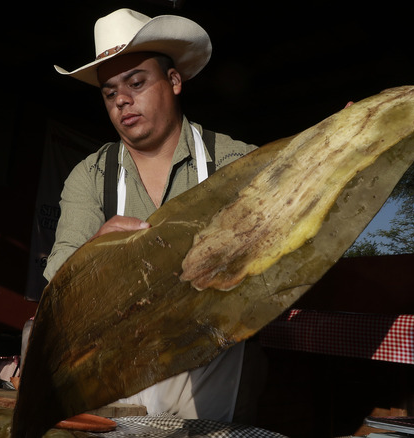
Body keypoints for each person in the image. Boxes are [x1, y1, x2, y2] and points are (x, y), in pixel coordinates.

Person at [44, 8, 262, 423]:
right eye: (110, 93)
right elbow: (59, 276)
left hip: (210, 361)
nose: (122, 99)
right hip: (116, 363)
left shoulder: (236, 162)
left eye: (137, 83)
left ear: (174, 81)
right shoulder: (90, 176)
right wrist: (96, 253)